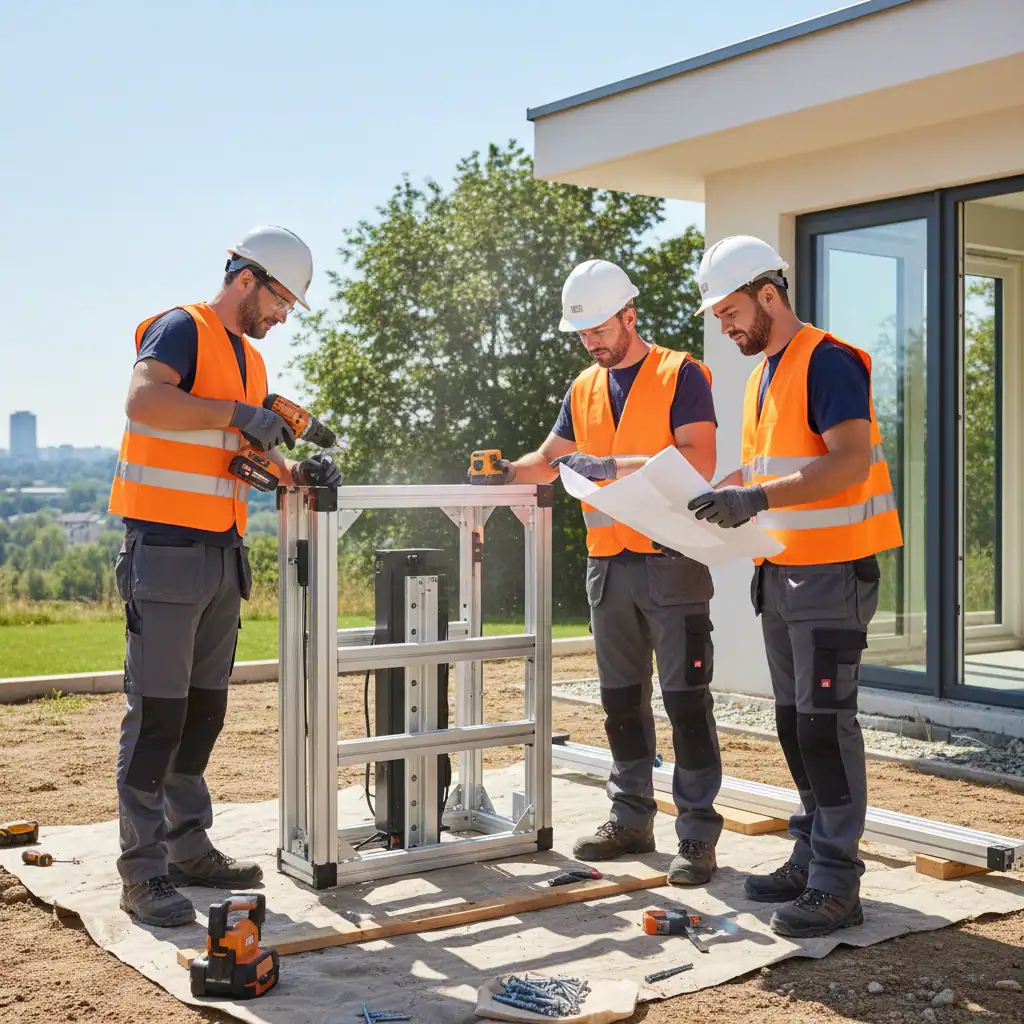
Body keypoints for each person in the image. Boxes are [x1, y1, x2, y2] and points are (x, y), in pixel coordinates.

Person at [107, 225, 342, 927]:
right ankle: (143, 875)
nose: (282, 316)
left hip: (219, 557)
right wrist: (236, 412)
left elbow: (239, 454)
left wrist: (295, 472)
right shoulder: (184, 327)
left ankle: (187, 850)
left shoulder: (251, 364)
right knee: (156, 719)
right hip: (163, 554)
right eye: (281, 302)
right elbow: (144, 402)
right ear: (248, 279)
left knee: (202, 715)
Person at [480, 258, 724, 885]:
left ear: (629, 315)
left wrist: (611, 465)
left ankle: (696, 837)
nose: (592, 343)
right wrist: (508, 473)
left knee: (685, 702)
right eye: (582, 335)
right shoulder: (583, 387)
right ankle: (631, 819)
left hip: (672, 562)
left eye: (600, 331)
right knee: (620, 701)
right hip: (607, 565)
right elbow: (549, 459)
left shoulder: (682, 374)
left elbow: (699, 459)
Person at [687, 234, 903, 937]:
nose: (725, 326)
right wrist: (724, 493)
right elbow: (768, 472)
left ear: (768, 294)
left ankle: (838, 884)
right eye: (719, 316)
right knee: (793, 723)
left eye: (729, 311)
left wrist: (757, 499)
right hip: (781, 574)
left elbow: (844, 465)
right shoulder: (763, 377)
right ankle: (812, 856)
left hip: (833, 574)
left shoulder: (830, 361)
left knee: (824, 727)